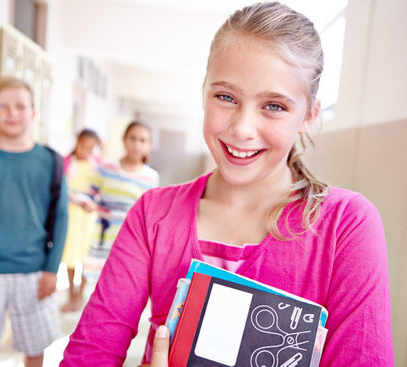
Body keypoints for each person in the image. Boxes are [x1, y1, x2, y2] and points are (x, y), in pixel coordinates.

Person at [61, 2, 394, 366]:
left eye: (274, 106)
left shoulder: (346, 225)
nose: (241, 128)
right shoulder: (153, 214)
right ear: (204, 91)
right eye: (226, 97)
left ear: (309, 115)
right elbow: (90, 352)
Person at [0, 77, 68, 367]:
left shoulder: (51, 161)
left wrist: (51, 268)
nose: (12, 112)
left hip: (35, 273)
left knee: (35, 347)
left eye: (20, 106)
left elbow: (61, 218)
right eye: (2, 106)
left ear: (33, 113)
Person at [82, 121, 159, 280]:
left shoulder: (151, 177)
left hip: (131, 240)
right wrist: (89, 205)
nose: (137, 144)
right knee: (97, 279)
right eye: (133, 138)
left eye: (142, 140)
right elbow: (91, 195)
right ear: (124, 140)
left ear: (149, 145)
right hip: (103, 235)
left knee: (119, 281)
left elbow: (149, 213)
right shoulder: (106, 168)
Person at [60, 129, 101, 312]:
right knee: (70, 256)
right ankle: (70, 295)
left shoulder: (97, 165)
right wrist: (76, 200)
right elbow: (61, 188)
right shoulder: (66, 162)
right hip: (71, 214)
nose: (85, 150)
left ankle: (80, 295)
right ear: (76, 142)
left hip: (88, 218)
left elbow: (100, 189)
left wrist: (93, 203)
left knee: (85, 257)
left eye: (90, 148)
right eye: (83, 145)